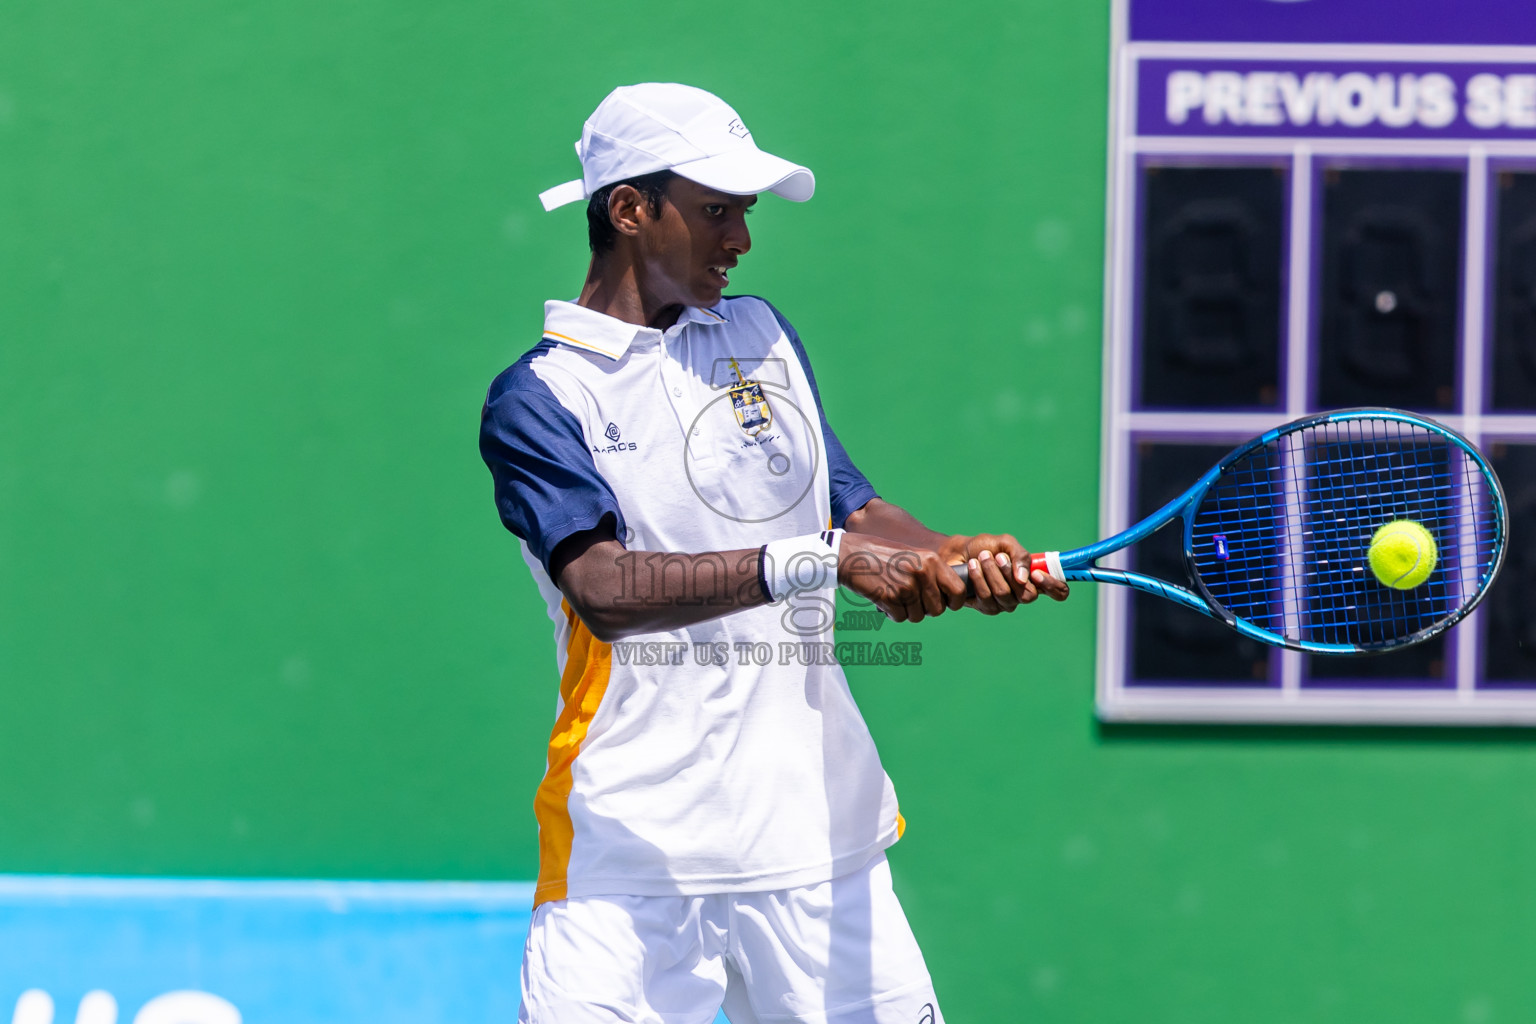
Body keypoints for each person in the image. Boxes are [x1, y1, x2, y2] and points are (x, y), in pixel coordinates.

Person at [480, 82, 1069, 1024]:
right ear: (631, 210)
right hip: (630, 863)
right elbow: (603, 590)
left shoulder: (761, 335)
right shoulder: (540, 398)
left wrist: (949, 554)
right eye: (716, 211)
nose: (740, 240)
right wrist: (820, 560)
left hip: (821, 845)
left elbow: (850, 506)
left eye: (744, 213)